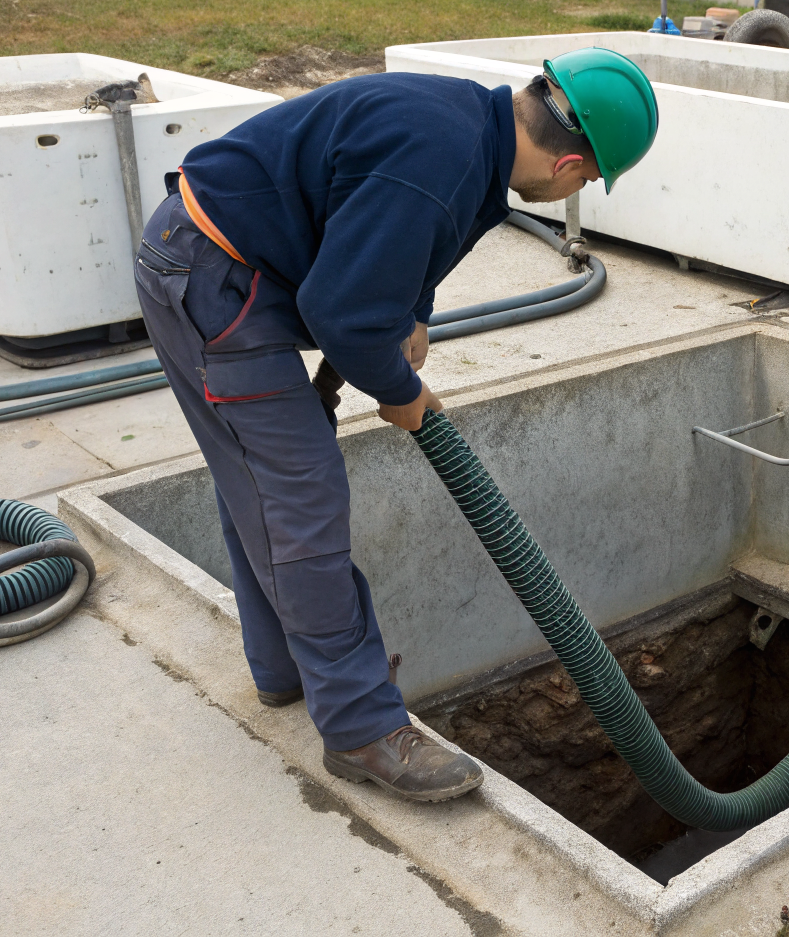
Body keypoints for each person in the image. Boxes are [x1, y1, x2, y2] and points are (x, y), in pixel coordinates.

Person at [132, 49, 658, 800]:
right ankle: (361, 728)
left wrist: (413, 316)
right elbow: (341, 311)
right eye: (588, 181)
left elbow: (402, 240)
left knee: (265, 479)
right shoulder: (441, 159)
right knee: (302, 497)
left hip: (233, 258)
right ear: (572, 164)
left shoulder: (474, 132)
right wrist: (398, 389)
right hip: (215, 273)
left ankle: (285, 671)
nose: (577, 190)